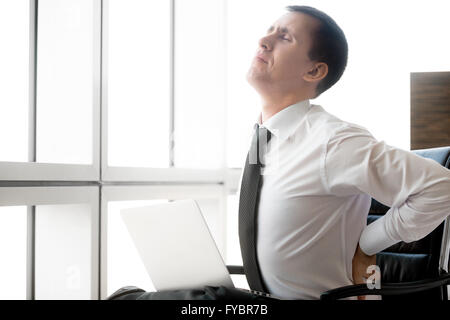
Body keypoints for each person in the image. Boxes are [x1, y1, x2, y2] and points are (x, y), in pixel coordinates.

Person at [108, 5, 450, 300]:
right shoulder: (262, 138)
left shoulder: (333, 141)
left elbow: (440, 187)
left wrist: (369, 242)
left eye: (285, 37)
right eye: (268, 31)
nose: (263, 40)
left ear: (314, 71)